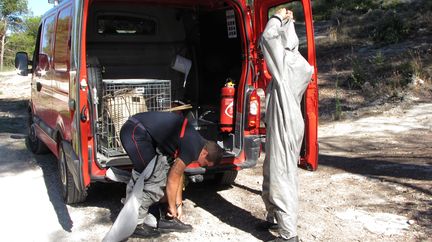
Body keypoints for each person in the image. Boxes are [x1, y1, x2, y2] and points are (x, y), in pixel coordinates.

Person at [103, 111, 224, 241]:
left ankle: (164, 217)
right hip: (134, 132)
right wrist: (172, 207)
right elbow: (173, 178)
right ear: (205, 153)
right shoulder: (193, 148)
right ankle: (135, 224)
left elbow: (178, 175)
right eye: (206, 164)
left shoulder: (197, 142)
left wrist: (178, 205)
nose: (203, 166)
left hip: (140, 132)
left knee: (159, 172)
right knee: (153, 181)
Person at [259, 8, 314, 242]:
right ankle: (273, 217)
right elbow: (278, 40)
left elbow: (268, 37)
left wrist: (277, 17)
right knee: (272, 170)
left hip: (284, 123)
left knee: (282, 176)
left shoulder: (287, 64)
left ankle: (288, 235)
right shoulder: (299, 62)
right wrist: (287, 22)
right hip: (286, 121)